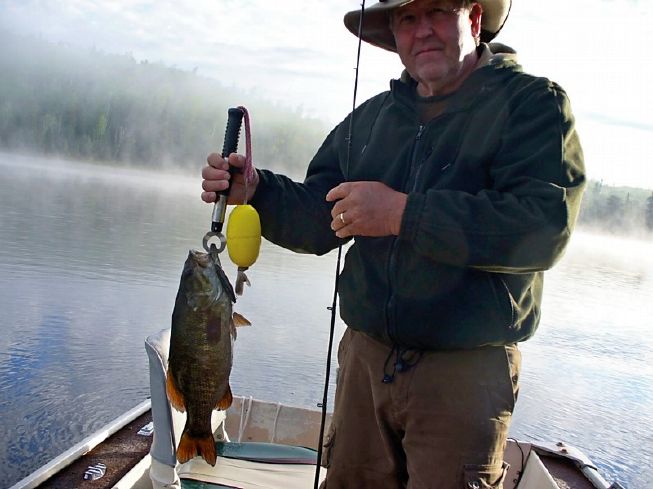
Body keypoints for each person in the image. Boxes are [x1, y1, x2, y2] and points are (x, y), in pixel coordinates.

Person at [201, 0, 586, 487]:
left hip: (465, 372)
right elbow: (321, 217)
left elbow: (542, 228)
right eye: (407, 18)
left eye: (437, 11)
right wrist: (257, 190)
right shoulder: (371, 119)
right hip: (365, 362)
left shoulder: (533, 105)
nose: (422, 30)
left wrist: (403, 214)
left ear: (473, 18)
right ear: (395, 35)